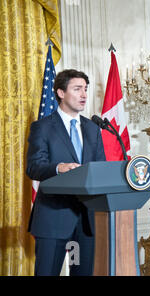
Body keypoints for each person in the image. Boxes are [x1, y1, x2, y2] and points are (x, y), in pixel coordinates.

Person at [26, 69, 106, 276]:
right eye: (77, 89)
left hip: (85, 222)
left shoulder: (92, 129)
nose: (84, 95)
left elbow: (100, 167)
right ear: (61, 93)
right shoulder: (42, 127)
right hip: (54, 219)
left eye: (85, 89)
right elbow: (33, 166)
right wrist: (58, 168)